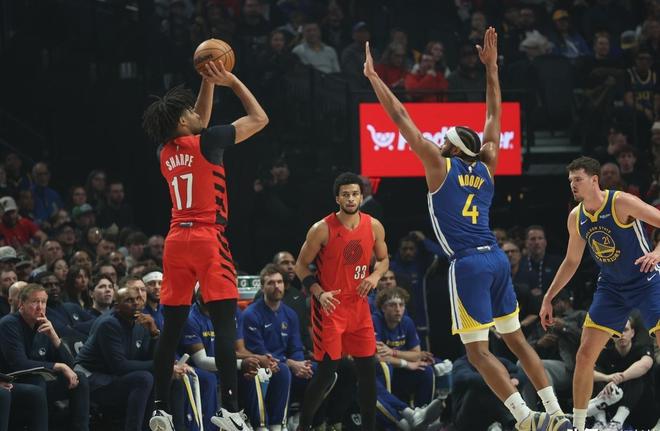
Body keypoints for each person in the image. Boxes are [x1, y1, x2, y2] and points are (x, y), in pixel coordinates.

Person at [364, 27, 570, 431]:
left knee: (477, 353)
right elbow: (494, 115)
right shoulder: (487, 166)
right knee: (516, 341)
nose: (439, 143)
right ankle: (556, 412)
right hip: (496, 258)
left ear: (453, 148)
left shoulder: (439, 166)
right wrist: (492, 68)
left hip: (469, 264)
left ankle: (526, 419)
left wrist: (373, 78)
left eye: (445, 141)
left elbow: (401, 117)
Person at [141, 57, 268, 431]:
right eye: (190, 113)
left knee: (171, 329)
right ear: (183, 122)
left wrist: (207, 82)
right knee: (226, 323)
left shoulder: (164, 151)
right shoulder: (209, 141)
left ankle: (160, 408)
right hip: (208, 238)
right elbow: (259, 118)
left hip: (175, 240)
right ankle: (230, 409)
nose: (197, 115)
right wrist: (231, 80)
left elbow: (198, 120)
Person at [539, 156, 660, 431]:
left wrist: (657, 252)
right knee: (584, 355)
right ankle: (578, 426)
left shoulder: (621, 202)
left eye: (578, 179)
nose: (573, 185)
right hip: (612, 288)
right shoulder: (576, 217)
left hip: (646, 280)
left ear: (594, 180)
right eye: (570, 180)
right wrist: (548, 297)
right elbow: (571, 262)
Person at [294, 172, 389, 431]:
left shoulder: (374, 226)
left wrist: (375, 276)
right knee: (327, 372)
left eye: (355, 194)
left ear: (361, 196)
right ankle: (304, 426)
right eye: (345, 194)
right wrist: (319, 293)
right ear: (337, 198)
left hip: (358, 305)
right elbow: (300, 266)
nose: (350, 198)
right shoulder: (321, 229)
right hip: (330, 304)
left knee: (368, 371)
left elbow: (383, 259)